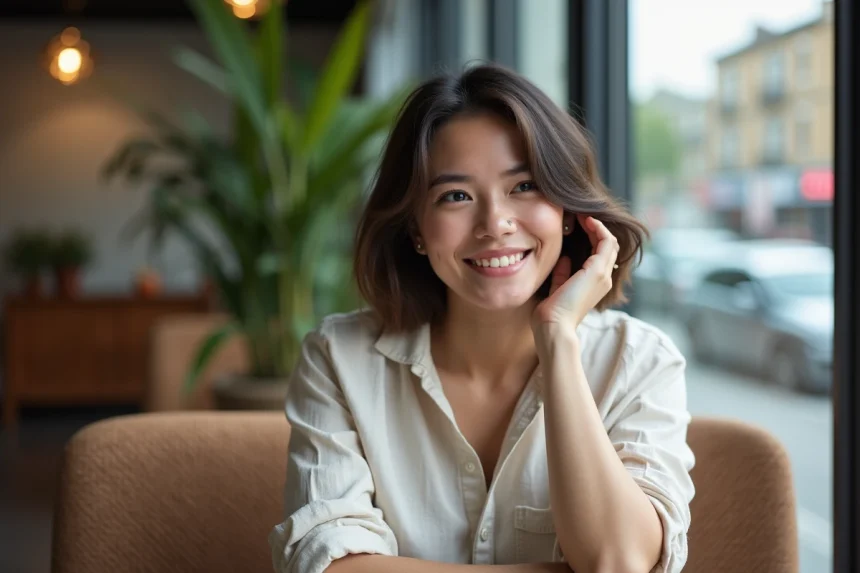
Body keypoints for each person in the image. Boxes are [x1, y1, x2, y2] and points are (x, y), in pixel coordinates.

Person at [269, 63, 695, 573]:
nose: (495, 224)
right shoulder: (339, 357)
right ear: (416, 230)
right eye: (456, 196)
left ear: (565, 208)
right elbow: (327, 565)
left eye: (524, 186)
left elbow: (620, 560)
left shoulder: (641, 361)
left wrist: (558, 342)